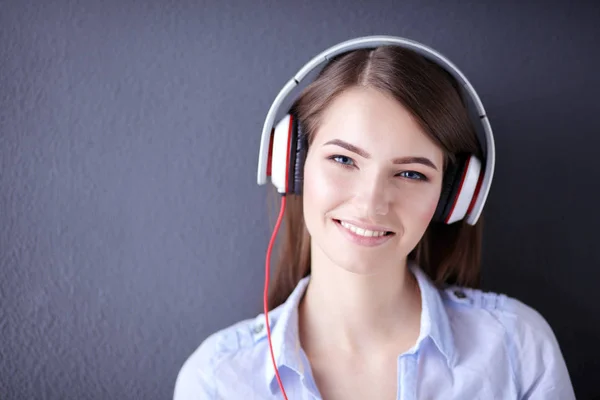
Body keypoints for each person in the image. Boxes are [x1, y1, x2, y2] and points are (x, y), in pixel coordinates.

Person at [173, 36, 576, 399]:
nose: (371, 203)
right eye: (343, 159)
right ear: (291, 164)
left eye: (411, 174)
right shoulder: (216, 380)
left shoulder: (517, 350)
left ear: (454, 197)